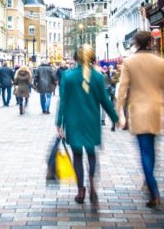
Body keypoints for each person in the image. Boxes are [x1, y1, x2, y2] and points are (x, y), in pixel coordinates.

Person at [56, 44, 118, 204]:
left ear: (75, 58)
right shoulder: (97, 77)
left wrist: (59, 123)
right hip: (91, 121)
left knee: (77, 156)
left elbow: (63, 101)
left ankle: (81, 190)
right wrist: (115, 118)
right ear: (92, 58)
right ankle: (92, 182)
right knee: (91, 153)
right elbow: (104, 100)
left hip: (73, 121)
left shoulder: (68, 76)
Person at [116, 31, 164, 208]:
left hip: (138, 110)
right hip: (155, 110)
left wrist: (118, 111)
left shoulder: (129, 62)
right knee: (151, 150)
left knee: (145, 151)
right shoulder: (160, 62)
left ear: (136, 43)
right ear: (151, 42)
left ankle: (154, 191)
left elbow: (122, 89)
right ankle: (149, 181)